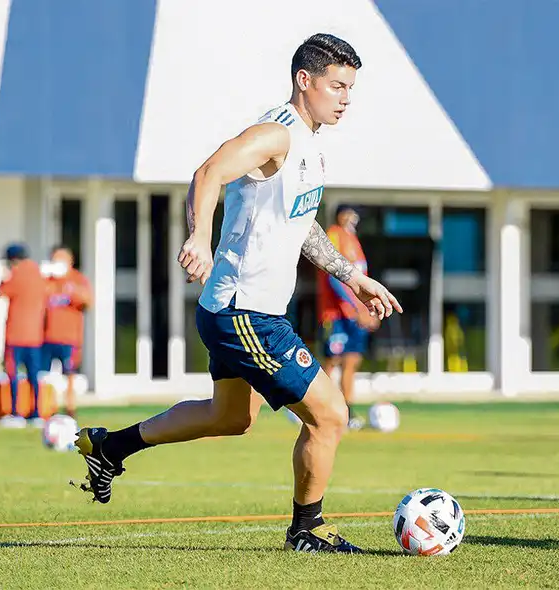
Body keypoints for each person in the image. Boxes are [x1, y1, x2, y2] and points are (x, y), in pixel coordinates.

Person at [73, 33, 402, 553]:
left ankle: (111, 447)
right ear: (304, 81)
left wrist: (352, 276)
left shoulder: (311, 148)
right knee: (331, 415)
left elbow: (302, 225)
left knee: (231, 417)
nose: (345, 98)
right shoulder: (276, 134)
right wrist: (198, 236)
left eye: (350, 89)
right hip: (244, 313)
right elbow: (208, 173)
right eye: (337, 86)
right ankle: (308, 530)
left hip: (239, 312)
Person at [317, 204, 378, 430]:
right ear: (341, 215)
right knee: (331, 362)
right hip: (336, 314)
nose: (354, 218)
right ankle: (315, 407)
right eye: (350, 213)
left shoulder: (354, 241)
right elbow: (334, 277)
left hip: (356, 315)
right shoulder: (334, 234)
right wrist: (356, 307)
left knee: (351, 361)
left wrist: (367, 308)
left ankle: (348, 412)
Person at [0, 243, 48, 428]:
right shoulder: (39, 275)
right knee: (34, 376)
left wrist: (5, 276)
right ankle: (36, 413)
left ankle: (15, 412)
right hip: (35, 335)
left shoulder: (15, 275)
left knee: (13, 375)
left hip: (15, 335)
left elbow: (1, 292)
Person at [42, 245, 93, 418]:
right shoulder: (47, 281)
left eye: (61, 259)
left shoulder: (78, 280)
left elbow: (88, 301)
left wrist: (74, 292)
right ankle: (49, 409)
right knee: (48, 377)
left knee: (69, 375)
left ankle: (70, 409)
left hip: (70, 338)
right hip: (47, 336)